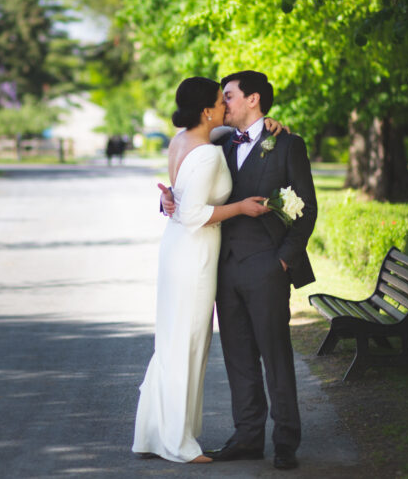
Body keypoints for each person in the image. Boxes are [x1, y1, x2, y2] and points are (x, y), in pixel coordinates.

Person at [161, 71, 317, 471]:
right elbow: (190, 187)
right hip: (223, 270)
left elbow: (307, 209)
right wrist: (167, 203)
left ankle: (285, 441)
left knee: (275, 356)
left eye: (228, 96)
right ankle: (248, 437)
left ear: (253, 99)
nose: (222, 104)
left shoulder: (287, 144)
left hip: (267, 267)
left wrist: (283, 259)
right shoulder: (220, 142)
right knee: (238, 358)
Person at [132, 77, 273, 463]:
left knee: (172, 341)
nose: (227, 107)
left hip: (175, 248)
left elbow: (180, 196)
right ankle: (178, 443)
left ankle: (155, 433)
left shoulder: (180, 141)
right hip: (194, 254)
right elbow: (194, 213)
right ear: (207, 110)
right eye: (219, 101)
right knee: (189, 344)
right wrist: (241, 207)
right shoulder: (209, 153)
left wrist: (276, 125)